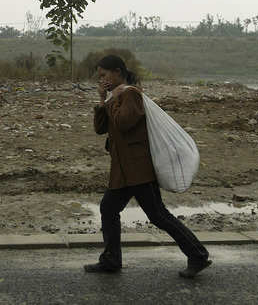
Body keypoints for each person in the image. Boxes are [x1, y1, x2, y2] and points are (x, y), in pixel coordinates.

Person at [84, 54, 211, 278]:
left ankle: (198, 255)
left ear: (117, 72)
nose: (101, 79)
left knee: (158, 216)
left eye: (104, 75)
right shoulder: (116, 96)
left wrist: (113, 99)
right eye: (99, 76)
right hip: (123, 172)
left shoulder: (131, 94)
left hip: (139, 171)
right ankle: (111, 260)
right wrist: (102, 101)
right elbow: (101, 128)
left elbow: (124, 123)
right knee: (109, 209)